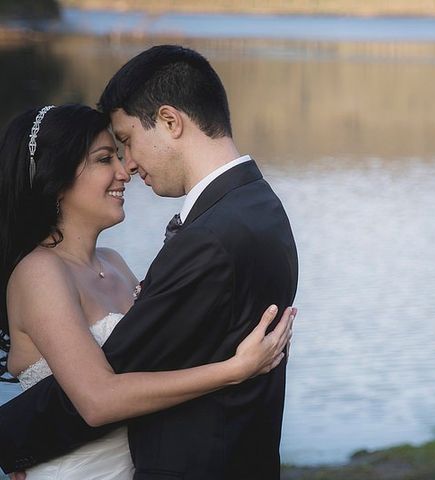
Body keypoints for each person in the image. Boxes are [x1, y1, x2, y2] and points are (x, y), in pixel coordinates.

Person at [0, 45, 299, 479]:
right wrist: (234, 370)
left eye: (122, 147)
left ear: (170, 121)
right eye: (107, 158)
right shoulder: (40, 273)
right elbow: (100, 396)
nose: (126, 169)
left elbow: (146, 361)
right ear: (56, 180)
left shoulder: (124, 262)